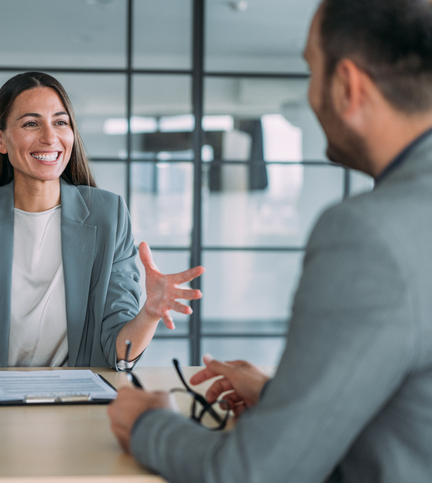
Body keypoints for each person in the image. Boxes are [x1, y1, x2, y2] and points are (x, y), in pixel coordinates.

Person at [108, 0, 432, 481]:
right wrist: (289, 400)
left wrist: (146, 423)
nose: (310, 94)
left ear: (347, 86)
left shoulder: (369, 233)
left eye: (311, 71)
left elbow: (254, 472)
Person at [0, 71, 204, 370]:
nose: (49, 137)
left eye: (60, 122)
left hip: (79, 401)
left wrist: (148, 314)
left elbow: (118, 352)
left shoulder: (108, 213)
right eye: (31, 123)